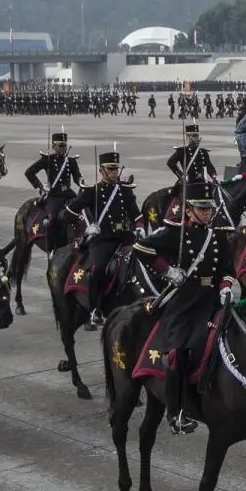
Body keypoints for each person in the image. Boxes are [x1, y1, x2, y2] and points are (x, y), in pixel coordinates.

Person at [134, 194, 235, 431]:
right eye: (201, 208)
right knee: (179, 354)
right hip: (184, 301)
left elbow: (227, 269)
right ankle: (175, 412)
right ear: (189, 211)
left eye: (209, 209)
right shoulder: (176, 234)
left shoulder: (217, 236)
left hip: (211, 299)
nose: (207, 213)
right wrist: (167, 270)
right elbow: (141, 247)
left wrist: (226, 287)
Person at [70, 150, 138, 327]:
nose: (114, 172)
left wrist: (140, 230)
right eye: (110, 169)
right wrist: (87, 227)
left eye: (116, 169)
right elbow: (68, 213)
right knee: (98, 269)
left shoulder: (125, 191)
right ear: (101, 170)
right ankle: (94, 309)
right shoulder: (92, 191)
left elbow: (136, 216)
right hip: (103, 239)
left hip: (125, 237)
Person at [23, 132, 84, 242]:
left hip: (69, 194)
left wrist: (82, 182)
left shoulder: (71, 161)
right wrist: (41, 187)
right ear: (53, 146)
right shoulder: (48, 160)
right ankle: (52, 246)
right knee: (52, 219)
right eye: (60, 145)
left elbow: (77, 177)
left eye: (65, 145)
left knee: (82, 214)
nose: (64, 148)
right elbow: (29, 172)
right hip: (54, 195)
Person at [166, 122, 216, 214]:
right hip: (188, 181)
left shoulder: (203, 152)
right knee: (180, 199)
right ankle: (176, 215)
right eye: (194, 135)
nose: (196, 138)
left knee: (215, 193)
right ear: (188, 137)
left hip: (201, 181)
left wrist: (213, 175)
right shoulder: (182, 151)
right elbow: (170, 163)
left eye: (197, 135)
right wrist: (181, 175)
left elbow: (209, 166)